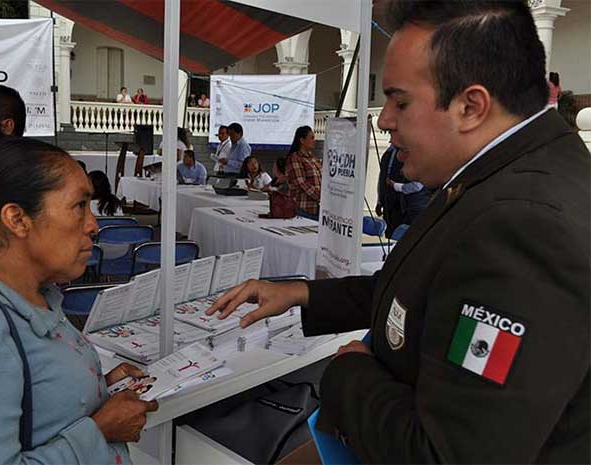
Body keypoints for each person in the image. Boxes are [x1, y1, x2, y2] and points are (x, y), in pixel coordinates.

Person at [207, 1, 590, 462]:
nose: (385, 118)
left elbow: (448, 455)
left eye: (400, 100)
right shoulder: (503, 172)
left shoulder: (526, 224)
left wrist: (347, 375)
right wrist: (301, 294)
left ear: (471, 106)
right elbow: (423, 290)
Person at [0, 130, 158, 464]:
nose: (93, 225)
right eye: (79, 206)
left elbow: (33, 401)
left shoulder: (28, 292)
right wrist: (98, 432)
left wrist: (98, 387)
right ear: (17, 219)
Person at [285, 126, 321, 220]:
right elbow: (301, 183)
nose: (314, 140)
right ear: (302, 140)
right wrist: (321, 196)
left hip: (317, 208)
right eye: (311, 138)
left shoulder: (313, 158)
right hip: (302, 208)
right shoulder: (295, 158)